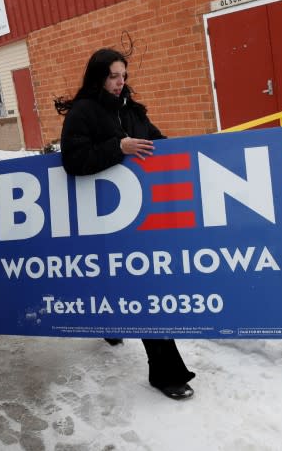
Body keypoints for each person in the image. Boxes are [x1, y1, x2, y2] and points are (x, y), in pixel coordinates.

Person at [56, 48, 196, 400]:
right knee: (117, 286)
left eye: (123, 76)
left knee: (144, 294)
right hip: (102, 221)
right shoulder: (83, 113)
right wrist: (118, 147)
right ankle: (117, 329)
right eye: (114, 76)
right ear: (98, 77)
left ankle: (166, 372)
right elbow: (74, 160)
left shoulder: (132, 111)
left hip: (140, 221)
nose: (120, 83)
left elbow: (158, 147)